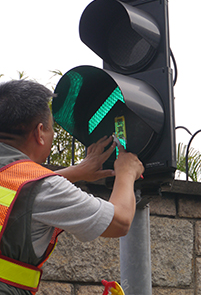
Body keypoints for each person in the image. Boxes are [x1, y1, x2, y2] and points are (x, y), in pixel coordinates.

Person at [0, 80, 144, 295]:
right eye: (51, 129)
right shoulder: (46, 189)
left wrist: (76, 171)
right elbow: (119, 222)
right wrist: (126, 173)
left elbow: (16, 188)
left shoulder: (22, 179)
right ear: (40, 133)